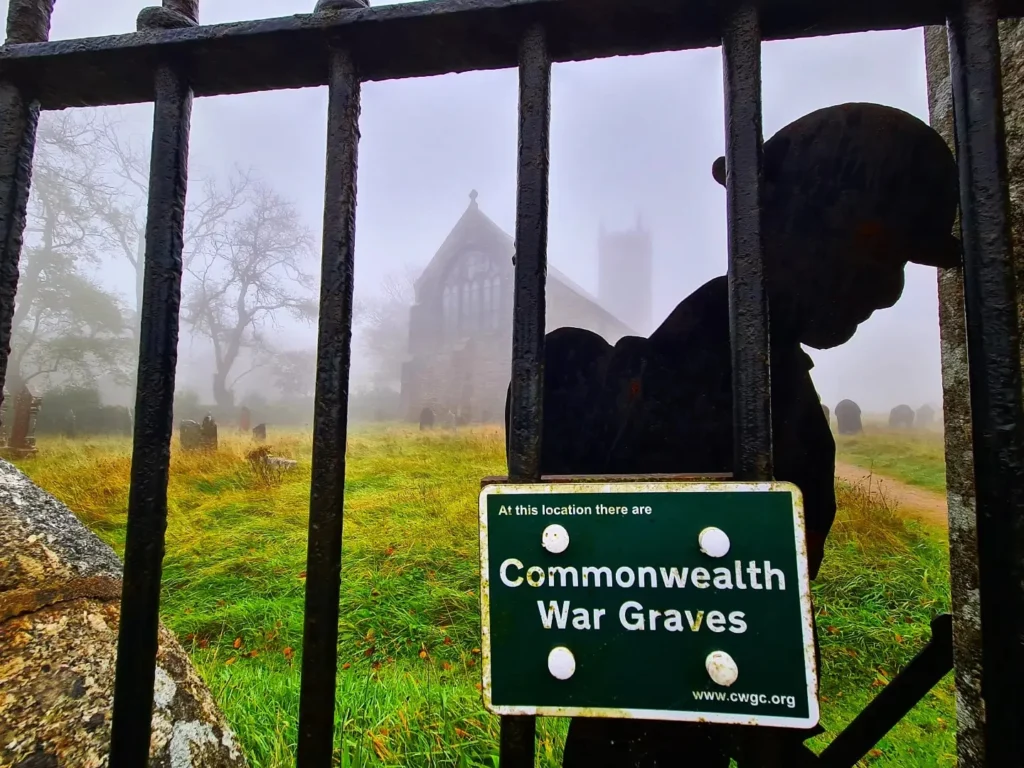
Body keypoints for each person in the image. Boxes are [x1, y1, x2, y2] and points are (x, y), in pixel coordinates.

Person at [503, 102, 961, 767]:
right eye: (873, 251)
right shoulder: (717, 369)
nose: (889, 292)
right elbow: (673, 613)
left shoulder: (764, 368)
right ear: (782, 227)